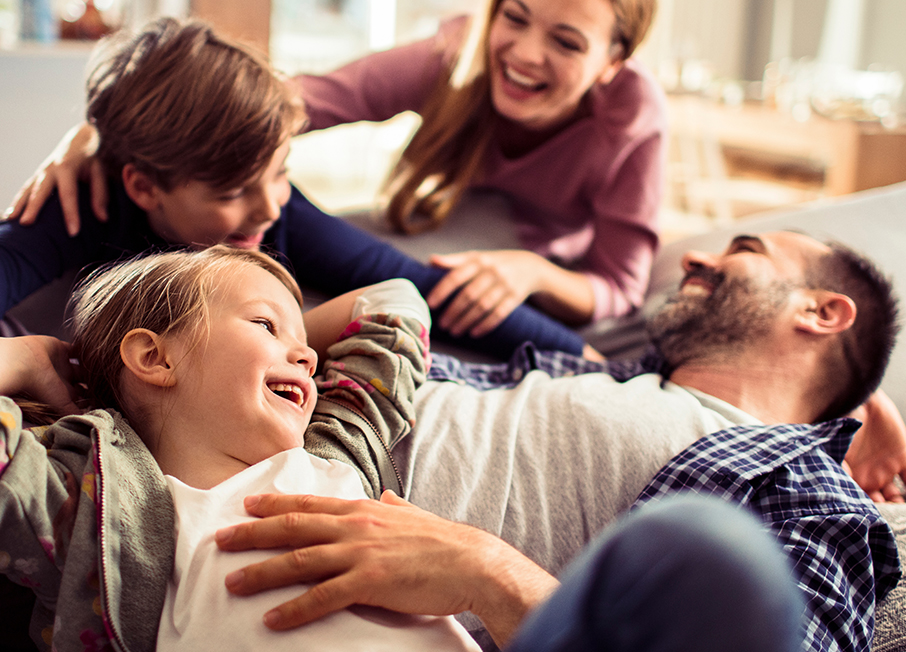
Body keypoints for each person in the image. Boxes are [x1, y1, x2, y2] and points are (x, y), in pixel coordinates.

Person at [211, 231, 903, 652]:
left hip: (273, 579)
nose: (695, 255)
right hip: (221, 441)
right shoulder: (598, 377)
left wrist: (486, 572)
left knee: (715, 551)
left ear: (822, 311)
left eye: (744, 251)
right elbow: (344, 260)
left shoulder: (810, 497)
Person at [9, 0, 666, 341]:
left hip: (536, 266)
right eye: (514, 18)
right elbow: (269, 103)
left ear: (613, 61)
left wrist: (575, 345)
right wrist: (102, 130)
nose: (523, 52)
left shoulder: (280, 214)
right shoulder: (83, 208)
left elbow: (403, 280)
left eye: (566, 40)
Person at [0, 245, 491, 651]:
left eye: (306, 345)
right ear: (154, 357)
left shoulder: (332, 455)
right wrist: (24, 358)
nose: (310, 357)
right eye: (264, 324)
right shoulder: (93, 510)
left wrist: (281, 342)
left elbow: (394, 302)